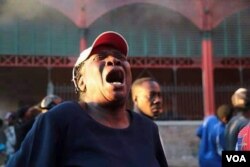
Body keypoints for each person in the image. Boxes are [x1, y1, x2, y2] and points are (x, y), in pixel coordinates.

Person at [6, 31, 168, 167]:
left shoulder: (148, 129)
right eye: (100, 57)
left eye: (120, 57)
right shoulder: (61, 119)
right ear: (81, 81)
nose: (114, 60)